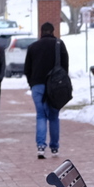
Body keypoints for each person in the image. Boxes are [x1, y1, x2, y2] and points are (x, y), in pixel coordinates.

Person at [25, 21, 70, 161]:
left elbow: (27, 69)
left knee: (41, 116)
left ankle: (40, 147)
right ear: (53, 31)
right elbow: (65, 65)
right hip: (55, 86)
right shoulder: (59, 44)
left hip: (38, 85)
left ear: (41, 31)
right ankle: (55, 147)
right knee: (54, 116)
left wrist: (32, 83)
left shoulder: (33, 47)